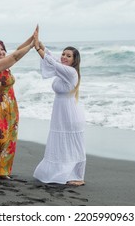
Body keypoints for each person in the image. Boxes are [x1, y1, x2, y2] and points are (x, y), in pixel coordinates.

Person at [0, 26, 37, 184]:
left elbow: (17, 51)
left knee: (10, 140)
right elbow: (15, 57)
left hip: (10, 108)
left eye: (2, 49)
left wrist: (32, 38)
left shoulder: (5, 65)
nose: (0, 52)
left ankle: (1, 171)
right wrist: (32, 46)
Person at [32, 27, 86, 186]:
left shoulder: (70, 73)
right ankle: (67, 174)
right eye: (63, 53)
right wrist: (40, 44)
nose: (64, 57)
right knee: (62, 144)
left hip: (70, 115)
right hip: (61, 113)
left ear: (74, 60)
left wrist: (37, 48)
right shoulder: (65, 69)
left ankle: (78, 176)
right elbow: (53, 59)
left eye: (68, 56)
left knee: (71, 144)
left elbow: (52, 63)